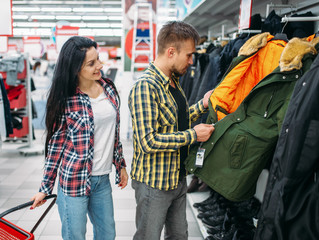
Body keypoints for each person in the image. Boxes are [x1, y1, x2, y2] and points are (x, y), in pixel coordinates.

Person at [30, 36, 128, 240]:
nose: (99, 66)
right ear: (75, 68)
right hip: (73, 181)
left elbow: (114, 135)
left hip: (102, 180)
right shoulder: (66, 98)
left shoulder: (108, 88)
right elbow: (55, 147)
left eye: (98, 59)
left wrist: (121, 167)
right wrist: (45, 188)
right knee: (75, 235)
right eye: (91, 63)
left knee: (107, 234)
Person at [128, 21, 215, 240]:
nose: (191, 61)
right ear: (171, 52)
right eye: (188, 55)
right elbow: (148, 141)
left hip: (177, 178)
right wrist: (193, 135)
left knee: (179, 236)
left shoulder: (174, 82)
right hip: (153, 184)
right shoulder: (146, 87)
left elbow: (178, 121)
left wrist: (201, 106)